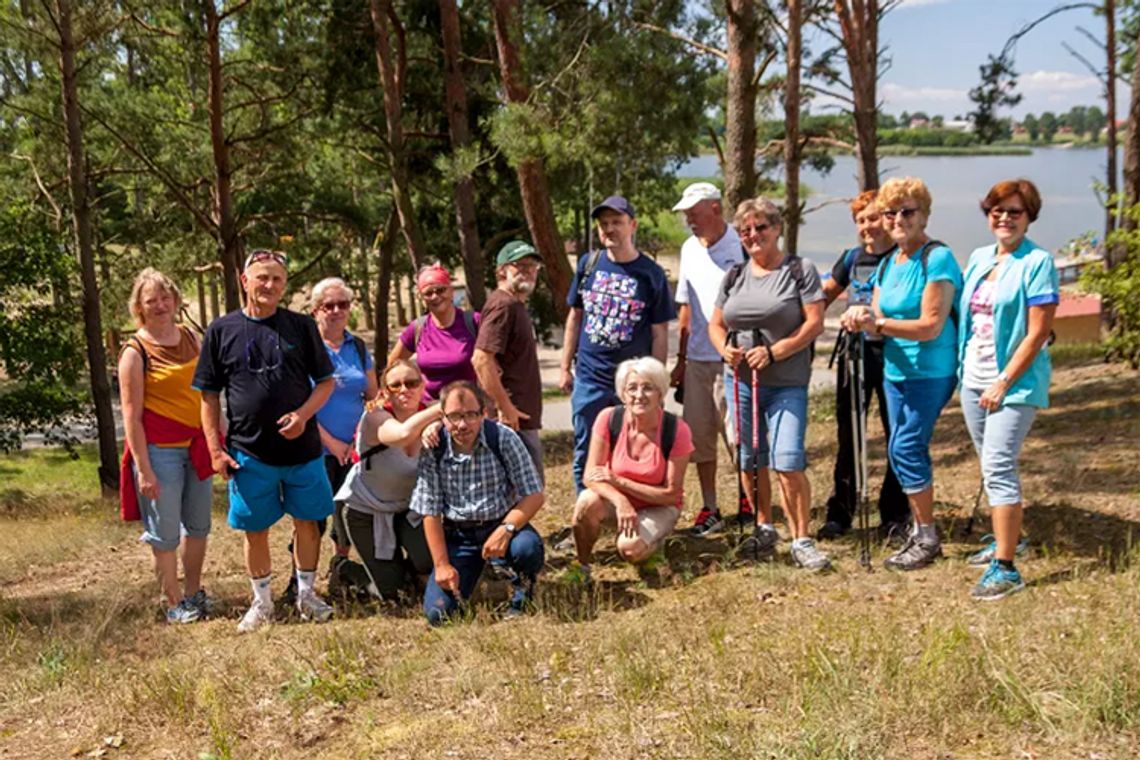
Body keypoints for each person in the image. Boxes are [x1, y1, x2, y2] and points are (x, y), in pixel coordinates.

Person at [193, 249, 338, 632]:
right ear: (245, 281)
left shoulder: (301, 327)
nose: (269, 285)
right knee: (254, 529)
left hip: (303, 451)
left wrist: (303, 415)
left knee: (308, 522)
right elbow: (207, 395)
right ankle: (262, 603)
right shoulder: (221, 331)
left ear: (284, 284)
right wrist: (215, 450)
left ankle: (306, 595)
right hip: (248, 453)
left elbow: (325, 383)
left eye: (276, 278)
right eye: (262, 277)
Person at [840, 176, 963, 571]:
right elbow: (875, 311)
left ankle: (926, 535)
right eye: (890, 213)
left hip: (931, 370)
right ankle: (917, 526)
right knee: (899, 447)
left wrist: (877, 326)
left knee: (907, 446)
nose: (897, 220)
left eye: (907, 212)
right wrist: (859, 315)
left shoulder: (937, 258)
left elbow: (931, 325)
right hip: (895, 369)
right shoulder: (891, 261)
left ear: (923, 214)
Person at [708, 198, 830, 570]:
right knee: (748, 456)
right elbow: (716, 325)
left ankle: (802, 539)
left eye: (761, 227)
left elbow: (814, 324)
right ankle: (764, 526)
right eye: (745, 230)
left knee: (787, 459)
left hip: (786, 382)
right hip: (740, 382)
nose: (753, 235)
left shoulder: (800, 270)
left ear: (777, 227)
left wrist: (775, 352)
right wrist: (724, 351)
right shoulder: (734, 275)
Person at [958, 179, 1058, 600]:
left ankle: (1006, 568)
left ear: (1029, 216)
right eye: (996, 210)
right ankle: (1009, 539)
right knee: (990, 464)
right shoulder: (981, 257)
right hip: (974, 379)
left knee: (998, 467)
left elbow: (1037, 334)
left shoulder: (1038, 262)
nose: (1004, 218)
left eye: (1014, 212)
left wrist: (1003, 382)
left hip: (1013, 385)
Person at [560, 195, 675, 494]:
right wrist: (564, 367)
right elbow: (575, 316)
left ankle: (632, 512)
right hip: (590, 378)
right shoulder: (589, 264)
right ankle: (586, 513)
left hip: (633, 384)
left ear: (632, 225)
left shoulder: (651, 274)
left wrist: (657, 383)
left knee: (635, 448)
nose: (609, 229)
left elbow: (660, 332)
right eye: (604, 224)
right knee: (586, 450)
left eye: (617, 222)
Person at [118, 268, 214, 624]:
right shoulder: (135, 351)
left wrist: (218, 439)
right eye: (151, 301)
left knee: (199, 526)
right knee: (166, 532)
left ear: (175, 300)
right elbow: (131, 417)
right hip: (160, 453)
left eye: (165, 298)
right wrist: (143, 468)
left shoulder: (192, 337)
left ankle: (193, 593)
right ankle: (174, 602)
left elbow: (208, 394)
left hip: (197, 447)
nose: (159, 305)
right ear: (139, 308)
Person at [410, 381, 545, 625]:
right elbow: (430, 511)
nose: (463, 424)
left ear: (483, 413)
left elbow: (534, 495)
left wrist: (507, 529)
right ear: (443, 417)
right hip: (458, 535)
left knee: (527, 549)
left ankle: (523, 592)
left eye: (471, 415)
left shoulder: (503, 438)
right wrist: (442, 566)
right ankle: (476, 577)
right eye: (454, 416)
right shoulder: (434, 447)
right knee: (438, 616)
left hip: (500, 522)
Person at [817, 190, 910, 542]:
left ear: (886, 218)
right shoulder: (851, 258)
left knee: (895, 436)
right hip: (854, 357)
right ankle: (840, 513)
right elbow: (823, 296)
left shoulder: (902, 258)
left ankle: (895, 515)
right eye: (861, 220)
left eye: (873, 218)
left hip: (893, 356)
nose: (868, 226)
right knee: (848, 438)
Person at [281, 277, 379, 603]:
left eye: (343, 305)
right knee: (311, 520)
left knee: (348, 515)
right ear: (314, 311)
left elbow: (372, 396)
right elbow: (298, 406)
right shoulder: (304, 350)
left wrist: (356, 440)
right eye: (328, 306)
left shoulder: (359, 348)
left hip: (354, 451)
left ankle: (341, 572)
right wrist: (333, 443)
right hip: (314, 449)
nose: (336, 311)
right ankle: (297, 583)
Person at [669, 182, 744, 536]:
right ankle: (710, 506)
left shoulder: (740, 245)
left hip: (733, 358)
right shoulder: (688, 249)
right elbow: (685, 306)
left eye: (694, 214)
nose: (689, 221)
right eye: (686, 215)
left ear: (714, 208)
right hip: (697, 360)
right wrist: (681, 359)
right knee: (699, 440)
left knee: (739, 437)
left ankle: (749, 501)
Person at [572, 358, 693, 576]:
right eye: (632, 388)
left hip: (659, 506)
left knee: (629, 549)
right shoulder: (608, 418)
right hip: (618, 504)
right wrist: (621, 501)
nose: (639, 395)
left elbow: (670, 495)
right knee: (585, 502)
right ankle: (582, 565)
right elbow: (590, 476)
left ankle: (656, 545)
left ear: (661, 393)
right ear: (622, 393)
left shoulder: (677, 430)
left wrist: (619, 482)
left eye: (648, 388)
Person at [335, 359, 441, 600]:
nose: (405, 390)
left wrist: (437, 421)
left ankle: (411, 572)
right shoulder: (374, 418)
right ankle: (347, 570)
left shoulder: (434, 416)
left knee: (427, 559)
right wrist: (440, 411)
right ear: (385, 393)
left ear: (422, 386)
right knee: (394, 595)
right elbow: (403, 434)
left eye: (412, 383)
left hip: (410, 508)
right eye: (396, 385)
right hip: (366, 510)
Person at [473, 240, 545, 481]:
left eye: (532, 265)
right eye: (519, 265)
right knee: (524, 493)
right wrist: (505, 407)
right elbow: (481, 359)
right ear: (501, 271)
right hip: (510, 420)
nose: (527, 270)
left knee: (528, 491)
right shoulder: (503, 305)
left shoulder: (516, 305)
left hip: (521, 417)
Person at [387, 263, 480, 400]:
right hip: (429, 409)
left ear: (451, 291)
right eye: (428, 293)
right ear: (422, 299)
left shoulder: (474, 322)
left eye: (440, 290)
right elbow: (393, 364)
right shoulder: (417, 328)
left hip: (467, 409)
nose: (435, 296)